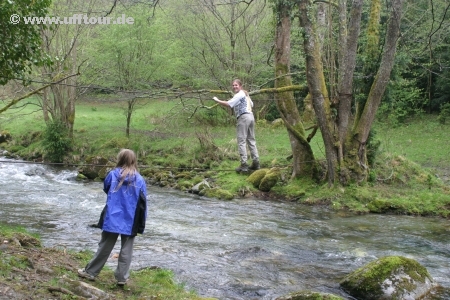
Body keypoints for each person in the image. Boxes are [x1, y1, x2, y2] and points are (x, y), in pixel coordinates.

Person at [78, 149, 147, 286]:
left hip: (112, 217)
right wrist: (141, 223)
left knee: (104, 246)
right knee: (127, 250)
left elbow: (106, 188)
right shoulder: (140, 180)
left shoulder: (112, 175)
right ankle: (122, 278)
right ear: (134, 161)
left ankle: (91, 272)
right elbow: (143, 202)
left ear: (120, 159)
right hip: (131, 219)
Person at [213, 79, 260, 172]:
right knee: (251, 140)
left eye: (236, 85)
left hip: (243, 118)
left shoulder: (239, 94)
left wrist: (217, 100)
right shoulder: (246, 94)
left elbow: (229, 104)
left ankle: (244, 164)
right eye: (233, 85)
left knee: (241, 140)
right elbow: (252, 104)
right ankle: (256, 163)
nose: (234, 87)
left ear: (240, 86)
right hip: (251, 117)